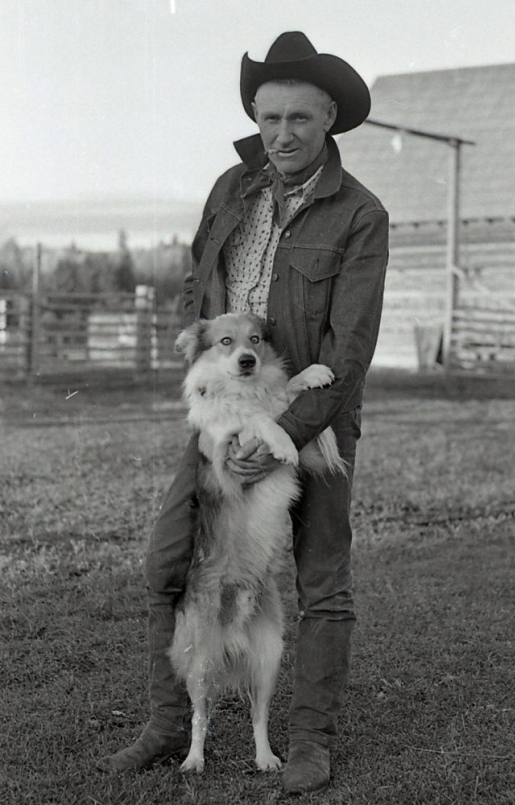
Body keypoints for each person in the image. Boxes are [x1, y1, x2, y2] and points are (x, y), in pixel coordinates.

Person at [97, 31, 389, 794]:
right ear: (255, 118)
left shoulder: (360, 214)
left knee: (322, 581)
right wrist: (211, 398)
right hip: (223, 415)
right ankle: (169, 723)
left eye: (299, 118)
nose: (282, 134)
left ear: (329, 118)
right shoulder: (232, 188)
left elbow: (350, 348)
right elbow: (199, 291)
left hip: (311, 416)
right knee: (169, 561)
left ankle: (309, 742)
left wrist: (282, 434)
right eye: (269, 118)